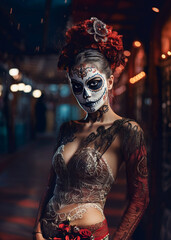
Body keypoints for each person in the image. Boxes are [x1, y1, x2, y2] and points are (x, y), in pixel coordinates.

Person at [33, 17, 149, 240]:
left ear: (111, 81)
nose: (85, 94)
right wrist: (37, 229)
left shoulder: (127, 130)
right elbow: (51, 184)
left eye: (93, 83)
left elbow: (140, 198)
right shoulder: (67, 128)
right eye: (77, 86)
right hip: (46, 235)